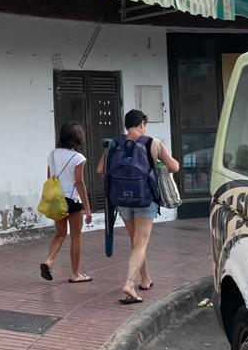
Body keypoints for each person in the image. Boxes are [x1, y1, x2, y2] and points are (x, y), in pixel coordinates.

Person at [97, 109, 180, 304]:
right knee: (141, 243)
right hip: (145, 199)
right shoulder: (152, 143)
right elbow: (174, 167)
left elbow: (101, 170)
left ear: (127, 125)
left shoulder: (114, 143)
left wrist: (108, 151)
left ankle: (145, 279)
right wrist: (160, 157)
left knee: (136, 243)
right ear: (142, 123)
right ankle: (129, 283)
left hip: (122, 200)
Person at [40, 122, 93, 283]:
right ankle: (75, 274)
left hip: (56, 199)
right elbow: (79, 183)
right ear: (78, 138)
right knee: (76, 237)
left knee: (60, 234)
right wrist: (87, 208)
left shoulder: (53, 154)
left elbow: (50, 177)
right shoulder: (78, 158)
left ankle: (48, 261)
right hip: (72, 201)